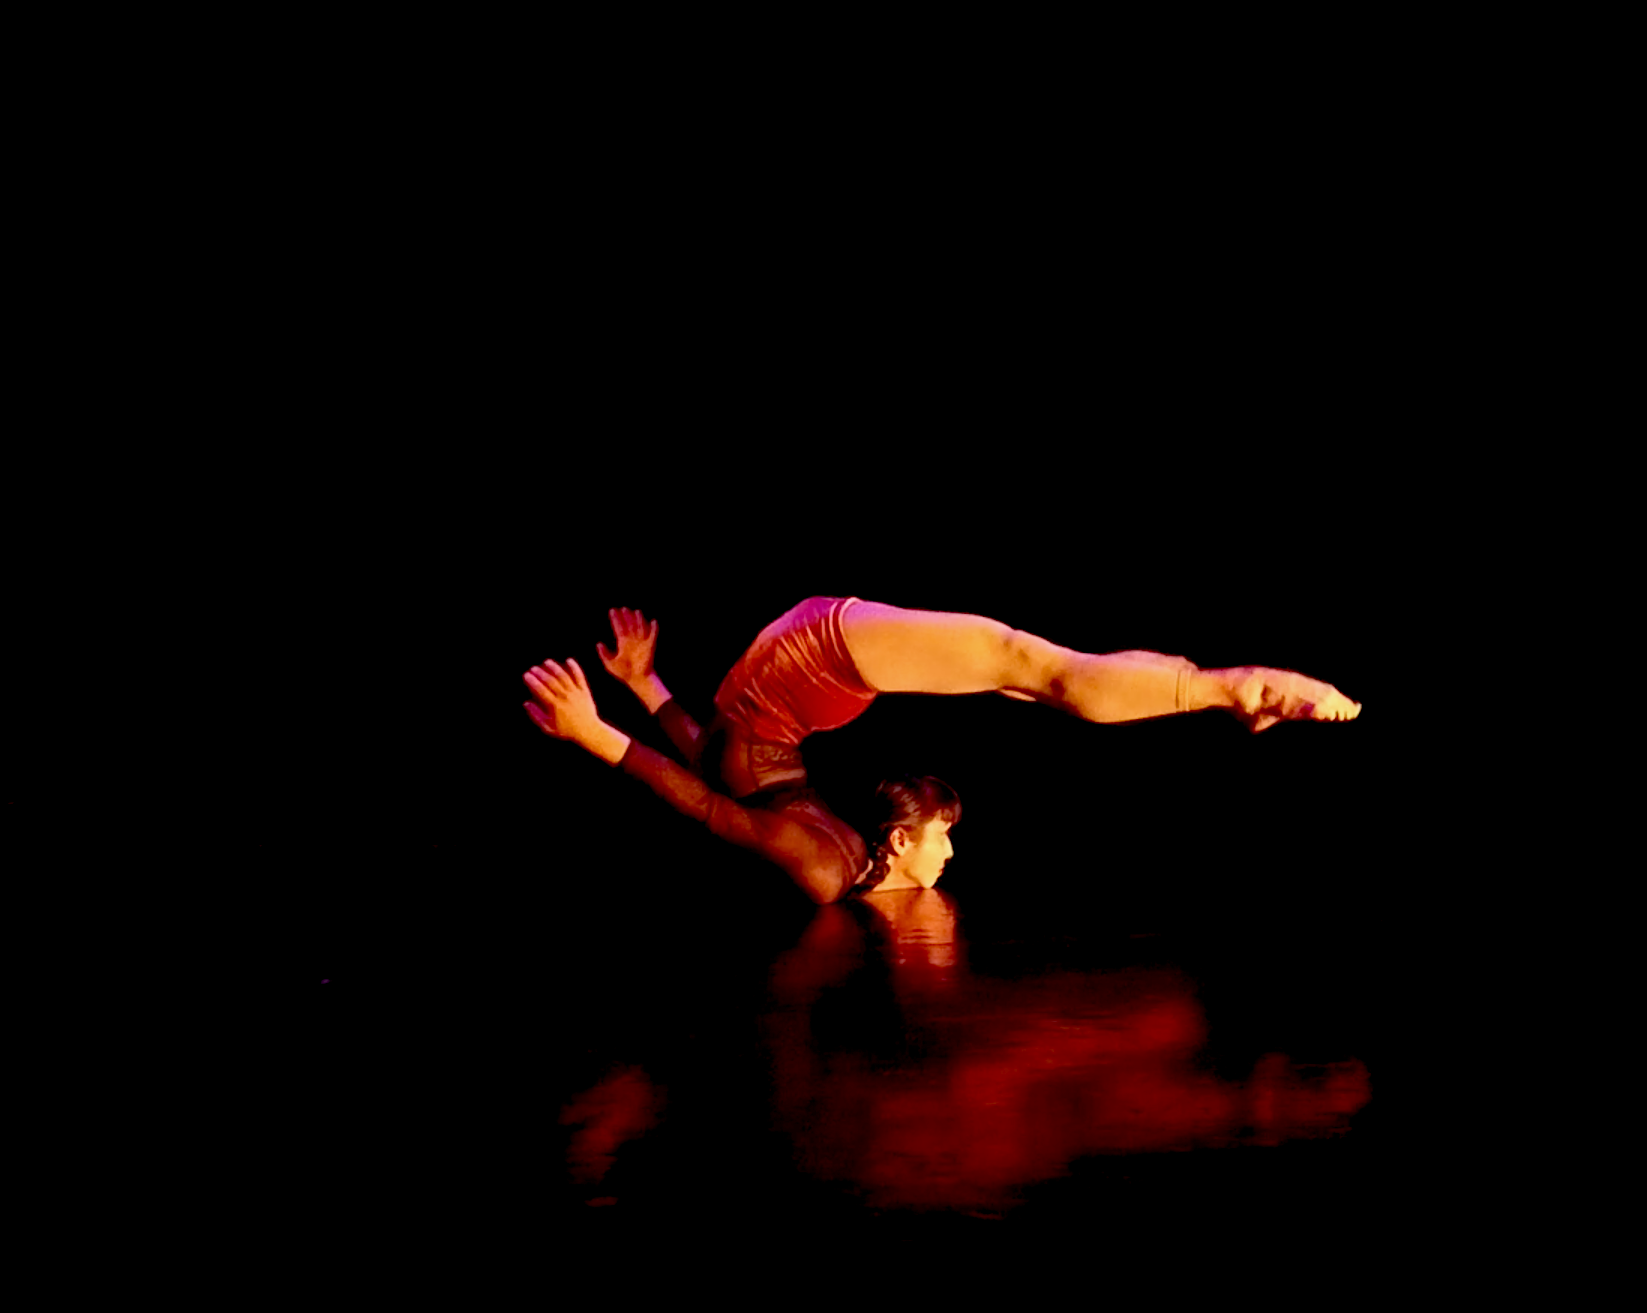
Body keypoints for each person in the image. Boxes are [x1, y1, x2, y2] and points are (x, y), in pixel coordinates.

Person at [522, 598, 1360, 905]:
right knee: (1029, 678)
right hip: (791, 668)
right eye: (947, 835)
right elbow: (712, 757)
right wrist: (646, 687)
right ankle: (1218, 691)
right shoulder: (822, 835)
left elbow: (704, 798)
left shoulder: (820, 869)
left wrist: (596, 731)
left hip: (811, 658)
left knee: (1028, 664)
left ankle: (1237, 688)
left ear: (897, 842)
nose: (951, 851)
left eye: (943, 836)